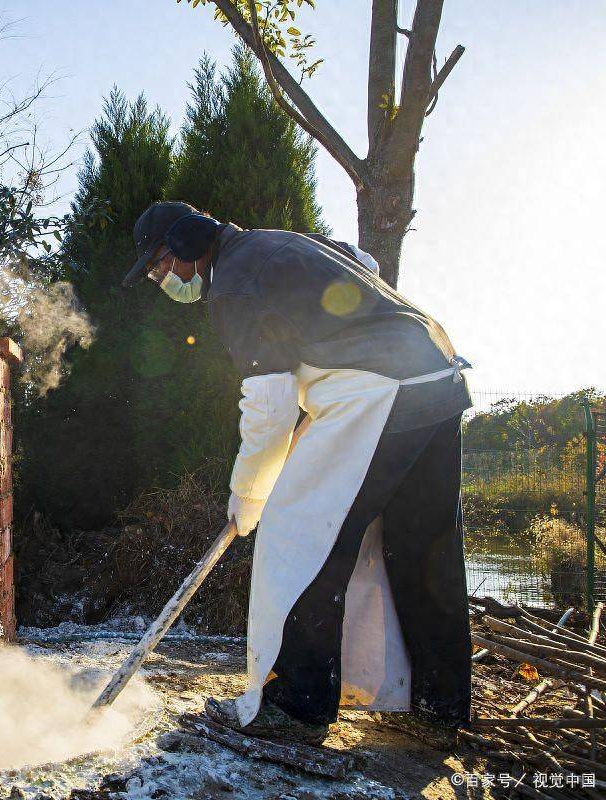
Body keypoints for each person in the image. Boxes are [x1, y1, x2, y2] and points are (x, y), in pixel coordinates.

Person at [122, 202, 472, 747]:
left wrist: (249, 496)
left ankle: (295, 704)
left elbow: (269, 406)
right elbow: (362, 262)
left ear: (188, 243)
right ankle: (440, 703)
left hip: (377, 391)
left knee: (298, 536)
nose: (162, 278)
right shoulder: (275, 243)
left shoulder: (234, 284)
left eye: (161, 264)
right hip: (435, 377)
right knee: (423, 545)